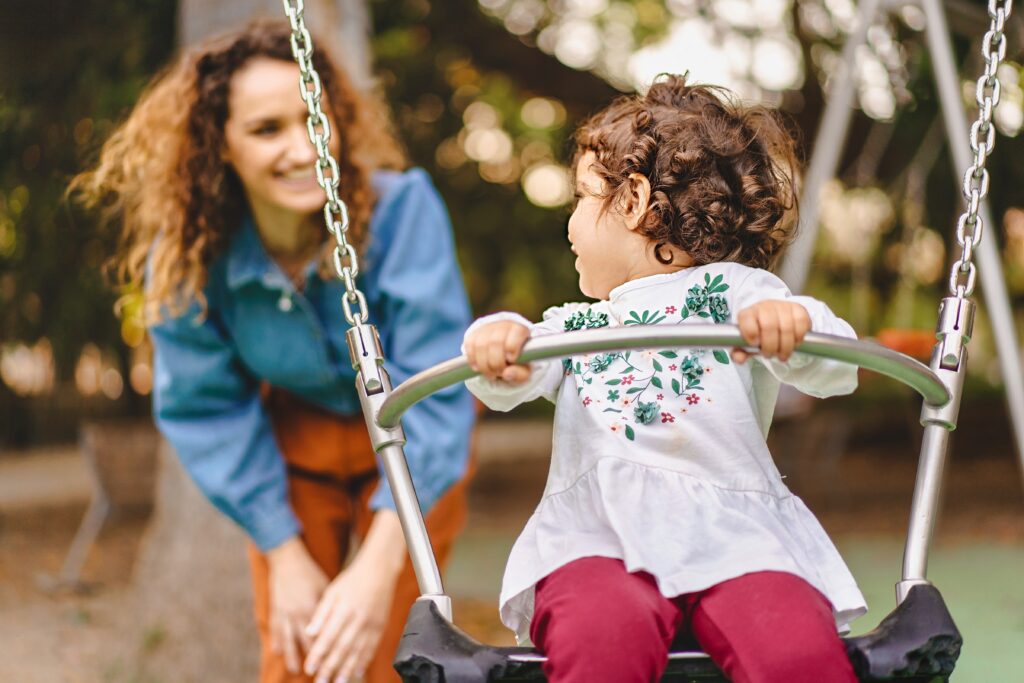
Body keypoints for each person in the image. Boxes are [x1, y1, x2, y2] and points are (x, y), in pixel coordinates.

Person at [72, 20, 475, 683]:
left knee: (384, 651)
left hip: (411, 440)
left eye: (312, 119)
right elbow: (207, 409)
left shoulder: (402, 212)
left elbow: (435, 389)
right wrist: (282, 553)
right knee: (299, 654)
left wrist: (378, 569)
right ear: (219, 146)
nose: (302, 148)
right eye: (266, 129)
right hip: (298, 447)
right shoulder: (192, 259)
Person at [462, 76, 864, 683]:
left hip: (734, 535)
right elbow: (514, 367)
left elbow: (837, 366)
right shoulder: (581, 325)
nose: (569, 221)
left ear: (632, 201)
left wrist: (794, 325)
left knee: (795, 651)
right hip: (596, 541)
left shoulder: (736, 294)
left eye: (579, 198)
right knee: (599, 635)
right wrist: (496, 345)